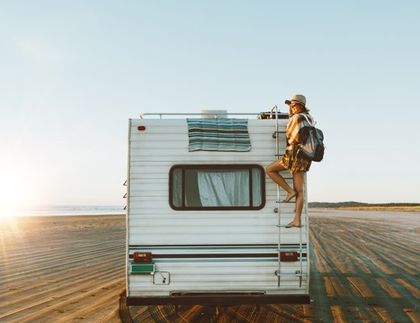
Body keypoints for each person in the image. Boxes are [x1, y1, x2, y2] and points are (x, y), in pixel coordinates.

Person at [266, 94, 314, 228]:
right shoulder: (309, 118)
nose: (291, 108)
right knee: (300, 190)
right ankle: (297, 220)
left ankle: (289, 191)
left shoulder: (297, 118)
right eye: (290, 105)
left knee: (269, 169)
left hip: (294, 155)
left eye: (293, 105)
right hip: (304, 157)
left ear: (300, 105)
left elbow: (292, 136)